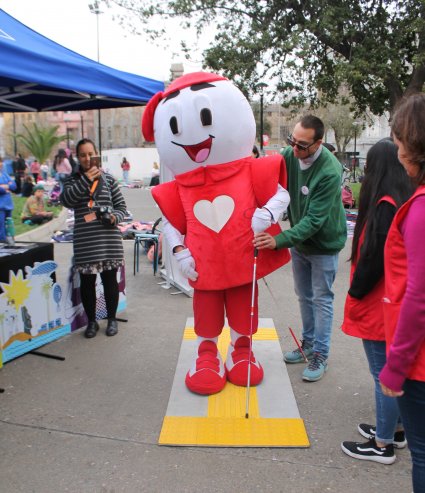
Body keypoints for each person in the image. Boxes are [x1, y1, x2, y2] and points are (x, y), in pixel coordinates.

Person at [253, 114, 347, 382]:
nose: (295, 150)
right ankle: (307, 343)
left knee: (321, 299)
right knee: (304, 295)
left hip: (324, 244)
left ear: (319, 143)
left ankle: (321, 354)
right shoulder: (290, 154)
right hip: (300, 243)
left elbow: (314, 221)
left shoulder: (330, 171)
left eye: (302, 145)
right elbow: (262, 170)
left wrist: (278, 240)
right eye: (292, 141)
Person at [340, 138, 413, 464]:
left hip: (377, 301)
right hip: (390, 299)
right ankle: (395, 431)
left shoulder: (384, 205)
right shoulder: (401, 199)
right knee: (388, 371)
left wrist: (355, 291)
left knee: (382, 374)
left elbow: (374, 259)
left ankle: (382, 444)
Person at [379, 93, 425, 492]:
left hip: (419, 362)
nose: (396, 154)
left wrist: (395, 366)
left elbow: (418, 296)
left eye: (398, 144)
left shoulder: (420, 210)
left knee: (423, 454)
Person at [60, 138, 127, 339]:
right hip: (86, 242)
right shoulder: (73, 181)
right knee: (87, 284)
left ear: (96, 154)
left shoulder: (109, 179)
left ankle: (112, 319)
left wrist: (115, 217)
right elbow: (67, 200)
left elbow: (122, 208)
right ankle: (92, 322)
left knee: (109, 281)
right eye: (83, 155)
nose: (87, 158)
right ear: (77, 158)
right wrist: (86, 180)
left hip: (109, 241)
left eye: (91, 154)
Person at [0, 157, 17, 241]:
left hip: (8, 205)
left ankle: (9, 245)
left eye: (1, 161)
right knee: (1, 228)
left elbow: (14, 186)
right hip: (0, 207)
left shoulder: (4, 174)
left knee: (9, 227)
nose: (1, 164)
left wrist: (5, 186)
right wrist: (5, 188)